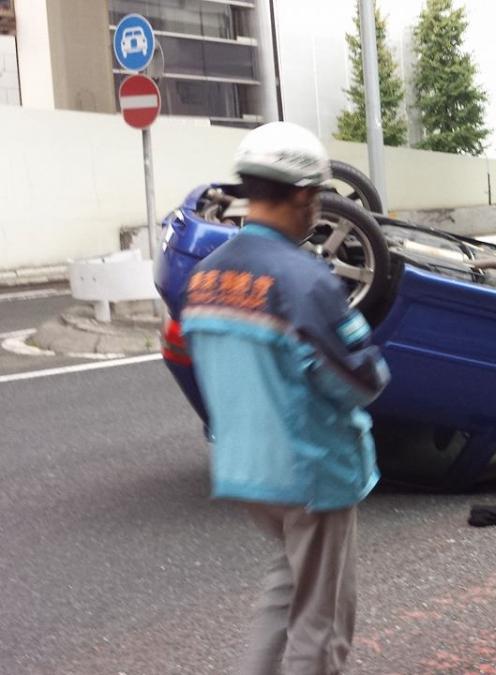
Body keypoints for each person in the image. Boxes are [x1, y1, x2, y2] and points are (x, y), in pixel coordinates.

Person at [181, 121, 390, 674]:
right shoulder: (304, 280)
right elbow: (359, 379)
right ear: (302, 195)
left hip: (246, 469)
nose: (318, 207)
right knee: (320, 626)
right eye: (318, 195)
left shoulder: (204, 277)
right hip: (310, 470)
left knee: (286, 590)